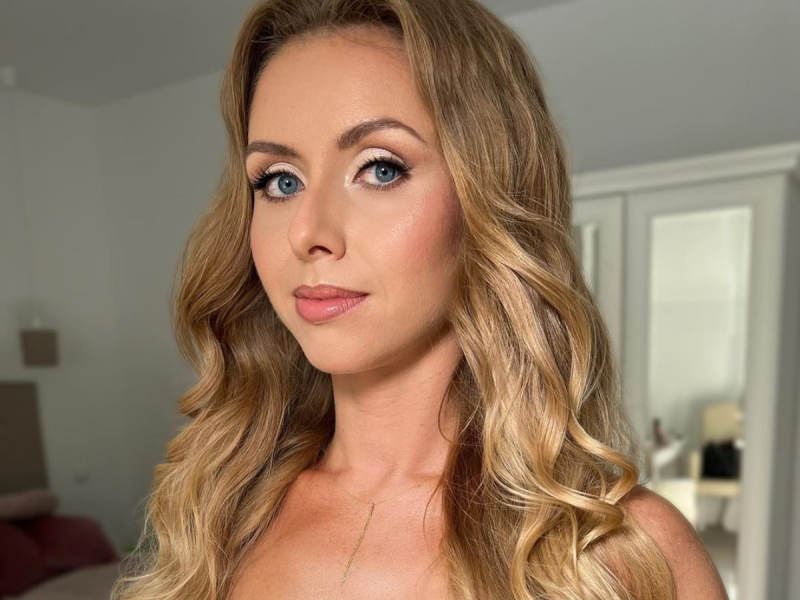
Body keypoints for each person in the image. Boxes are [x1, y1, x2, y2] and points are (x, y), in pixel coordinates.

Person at [112, 0, 729, 599]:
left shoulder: (622, 554)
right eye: (279, 180)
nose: (307, 232)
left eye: (380, 169)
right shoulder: (213, 514)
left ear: (487, 198)